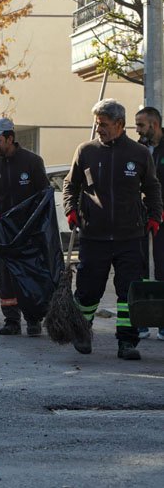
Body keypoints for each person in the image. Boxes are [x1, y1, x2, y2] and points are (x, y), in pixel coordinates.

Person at [63, 99, 163, 360]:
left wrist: (154, 215)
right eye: (97, 125)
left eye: (104, 125)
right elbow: (70, 186)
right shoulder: (86, 151)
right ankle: (82, 332)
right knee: (87, 291)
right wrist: (70, 210)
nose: (99, 130)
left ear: (119, 124)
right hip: (94, 236)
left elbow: (152, 187)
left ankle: (126, 343)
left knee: (127, 291)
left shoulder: (138, 154)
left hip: (130, 236)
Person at [0, 117, 50, 337]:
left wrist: (35, 225)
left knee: (28, 276)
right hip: (3, 231)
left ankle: (33, 319)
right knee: (5, 275)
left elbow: (44, 196)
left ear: (10, 138)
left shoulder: (32, 162)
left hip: (28, 231)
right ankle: (11, 320)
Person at [134, 106, 164, 341]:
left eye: (140, 125)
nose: (137, 130)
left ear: (153, 125)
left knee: (163, 268)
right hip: (140, 218)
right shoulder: (137, 150)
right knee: (140, 267)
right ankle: (142, 322)